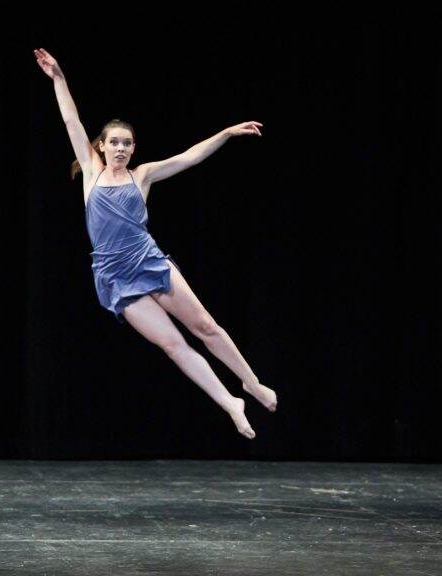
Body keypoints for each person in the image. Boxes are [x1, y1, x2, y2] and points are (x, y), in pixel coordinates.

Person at [34, 47, 276, 439]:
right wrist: (59, 78)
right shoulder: (92, 175)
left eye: (127, 144)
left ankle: (249, 381)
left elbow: (190, 157)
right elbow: (71, 120)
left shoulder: (141, 176)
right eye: (114, 143)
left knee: (206, 326)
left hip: (147, 261)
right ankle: (230, 402)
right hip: (113, 275)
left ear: (133, 149)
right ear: (102, 146)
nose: (120, 149)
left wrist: (227, 133)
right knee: (173, 344)